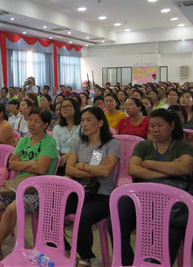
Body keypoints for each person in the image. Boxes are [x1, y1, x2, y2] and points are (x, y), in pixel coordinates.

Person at [120, 109, 193, 266]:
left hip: (173, 201)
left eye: (160, 125)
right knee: (117, 219)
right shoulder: (144, 146)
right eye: (152, 126)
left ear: (172, 125)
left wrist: (150, 164)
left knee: (171, 232)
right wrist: (169, 170)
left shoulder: (183, 146)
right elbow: (133, 169)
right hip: (143, 197)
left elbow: (185, 168)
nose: (155, 130)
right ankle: (128, 262)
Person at [0, 109, 57, 261]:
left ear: (45, 125)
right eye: (30, 120)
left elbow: (41, 169)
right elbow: (11, 164)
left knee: (12, 208)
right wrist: (31, 163)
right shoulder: (24, 140)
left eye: (36, 121)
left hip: (38, 188)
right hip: (17, 184)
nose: (32, 124)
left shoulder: (49, 142)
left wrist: (22, 164)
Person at [65, 107, 120, 266]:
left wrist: (81, 166)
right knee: (50, 208)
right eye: (82, 120)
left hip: (102, 194)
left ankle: (85, 257)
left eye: (89, 120)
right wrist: (93, 169)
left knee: (83, 216)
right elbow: (69, 169)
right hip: (79, 190)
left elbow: (105, 172)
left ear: (100, 122)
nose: (84, 124)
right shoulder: (78, 141)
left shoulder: (112, 144)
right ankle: (65, 248)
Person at [52, 98, 82, 175]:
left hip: (79, 157)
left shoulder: (82, 126)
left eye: (68, 106)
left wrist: (68, 156)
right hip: (62, 159)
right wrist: (59, 158)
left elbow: (83, 146)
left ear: (75, 109)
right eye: (63, 107)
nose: (64, 109)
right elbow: (56, 148)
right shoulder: (57, 128)